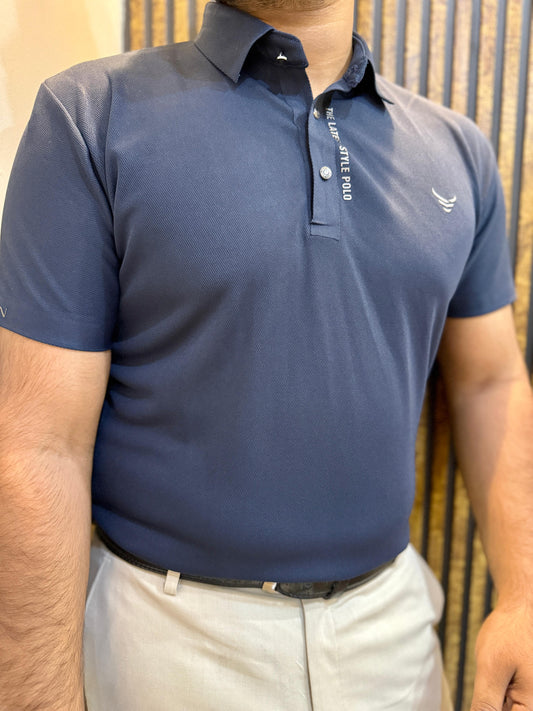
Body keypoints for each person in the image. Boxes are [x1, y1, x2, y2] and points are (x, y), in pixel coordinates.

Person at [0, 0, 532, 707]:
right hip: (162, 640)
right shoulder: (89, 116)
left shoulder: (457, 150)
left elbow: (490, 383)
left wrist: (525, 594)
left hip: (393, 635)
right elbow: (39, 445)